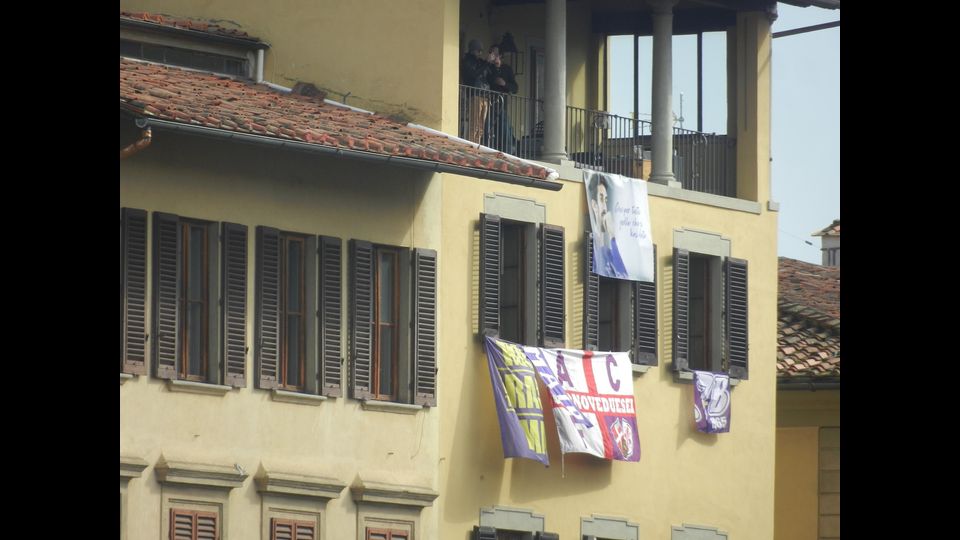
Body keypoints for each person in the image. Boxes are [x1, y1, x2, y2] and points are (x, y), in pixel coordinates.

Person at [587, 174, 628, 278]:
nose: (605, 207)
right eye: (601, 199)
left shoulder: (608, 252)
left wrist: (612, 235)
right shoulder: (591, 246)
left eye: (605, 200)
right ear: (594, 205)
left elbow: (623, 274)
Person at [485, 45, 519, 153]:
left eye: (495, 54)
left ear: (500, 55)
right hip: (487, 102)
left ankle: (506, 152)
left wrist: (505, 84)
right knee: (487, 127)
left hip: (501, 104)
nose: (493, 56)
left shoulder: (507, 69)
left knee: (504, 128)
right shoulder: (487, 66)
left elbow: (515, 88)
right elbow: (488, 79)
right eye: (492, 53)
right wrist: (494, 67)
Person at [461, 39, 493, 144]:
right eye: (479, 51)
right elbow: (474, 75)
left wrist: (493, 64)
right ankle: (471, 146)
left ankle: (477, 145)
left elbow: (490, 76)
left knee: (481, 127)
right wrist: (486, 63)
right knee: (474, 125)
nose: (480, 53)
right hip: (475, 95)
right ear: (473, 50)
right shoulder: (467, 61)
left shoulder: (480, 62)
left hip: (484, 95)